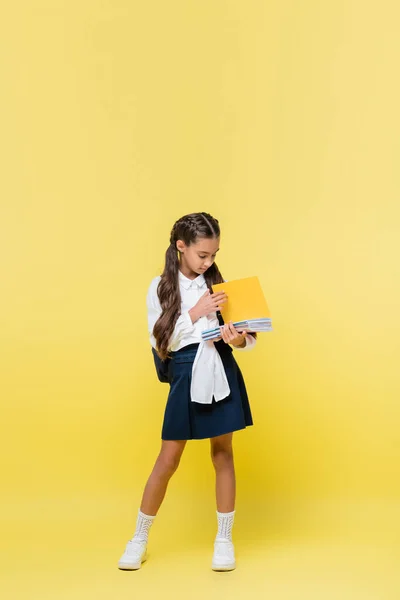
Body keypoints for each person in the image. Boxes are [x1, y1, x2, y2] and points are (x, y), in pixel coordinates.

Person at [118, 212, 256, 572]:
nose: (209, 262)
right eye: (202, 255)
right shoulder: (160, 286)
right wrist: (196, 312)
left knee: (223, 454)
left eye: (214, 254)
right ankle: (138, 539)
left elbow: (244, 335)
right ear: (181, 247)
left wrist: (238, 338)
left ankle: (224, 540)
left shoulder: (220, 283)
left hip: (220, 366)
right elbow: (161, 340)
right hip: (185, 370)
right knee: (168, 460)